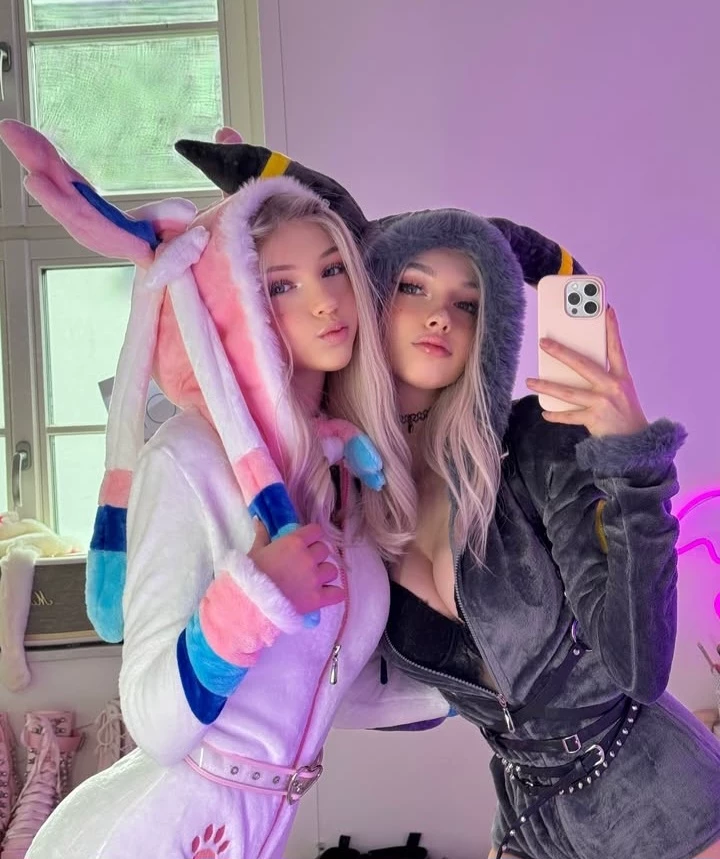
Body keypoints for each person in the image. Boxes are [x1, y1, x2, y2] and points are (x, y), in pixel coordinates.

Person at [0, 120, 449, 859]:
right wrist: (254, 597)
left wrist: (486, 687)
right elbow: (153, 722)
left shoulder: (341, 472)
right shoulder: (186, 460)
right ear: (235, 304)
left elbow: (324, 689)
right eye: (281, 285)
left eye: (333, 269)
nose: (325, 301)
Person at [364, 207, 720, 859]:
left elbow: (638, 668)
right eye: (414, 287)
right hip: (531, 819)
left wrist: (633, 463)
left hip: (668, 809)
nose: (441, 316)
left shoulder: (536, 442)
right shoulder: (348, 492)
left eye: (469, 303)